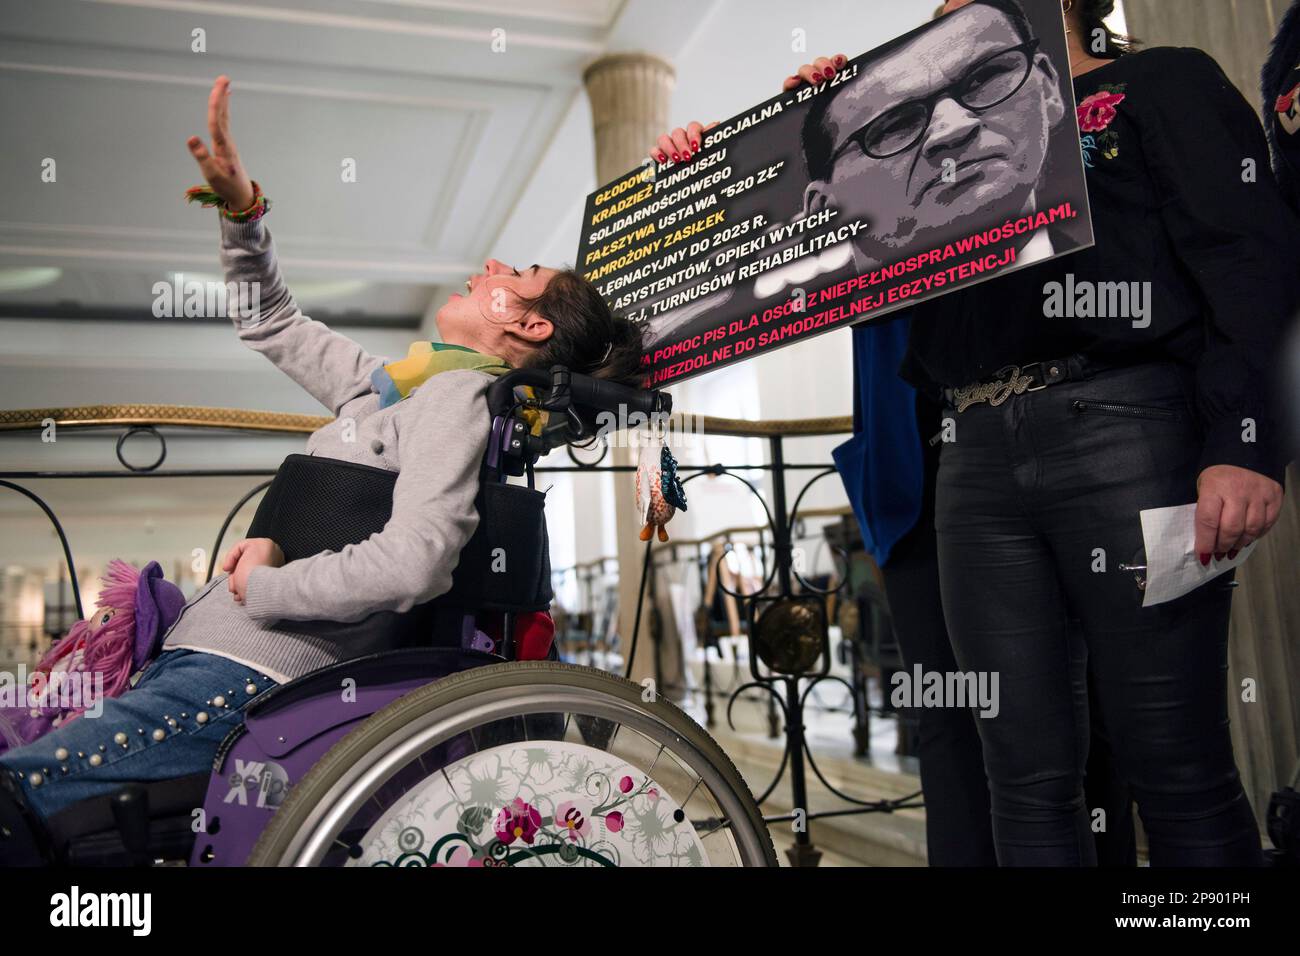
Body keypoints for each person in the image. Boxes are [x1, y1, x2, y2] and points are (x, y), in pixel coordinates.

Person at [0, 74, 645, 852]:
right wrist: (242, 212)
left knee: (21, 791)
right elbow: (269, 319)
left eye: (516, 277)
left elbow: (415, 563)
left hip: (252, 671)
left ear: (532, 325)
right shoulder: (397, 388)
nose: (493, 264)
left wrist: (269, 584)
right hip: (214, 652)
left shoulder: (458, 402)